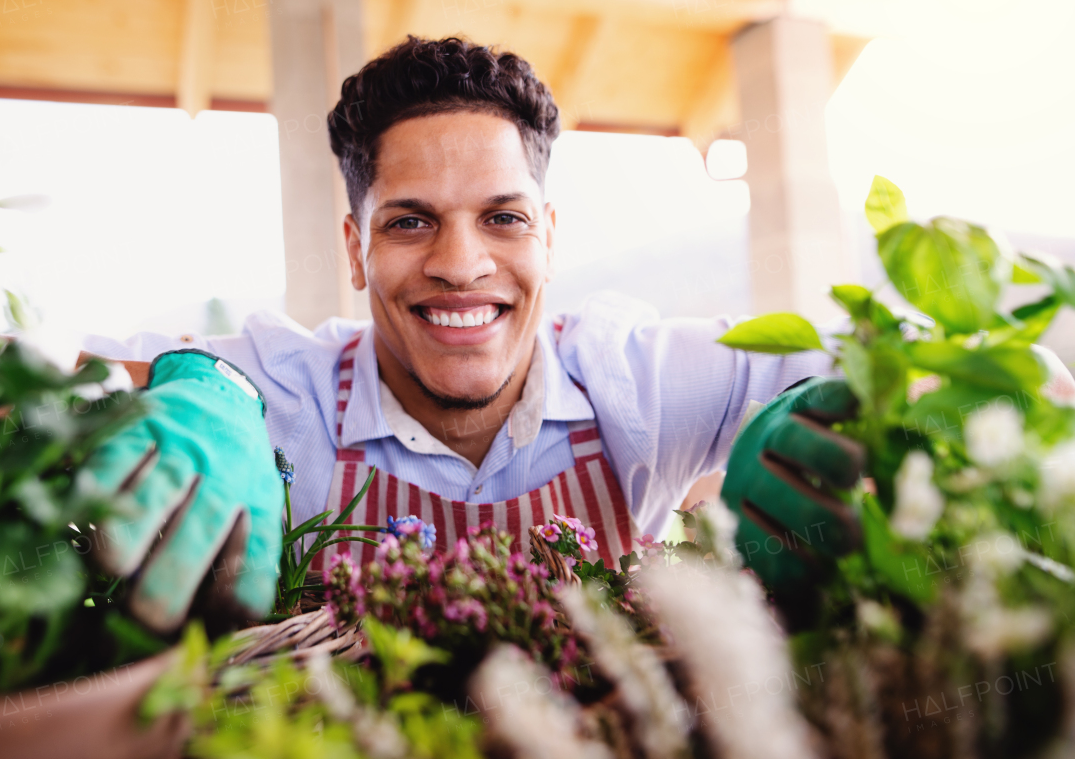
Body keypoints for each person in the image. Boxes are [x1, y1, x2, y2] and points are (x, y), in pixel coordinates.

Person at [78, 36, 1075, 634]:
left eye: (502, 218)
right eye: (410, 219)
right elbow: (101, 383)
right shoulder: (290, 394)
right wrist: (193, 394)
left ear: (548, 237)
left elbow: (939, 371)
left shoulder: (629, 382)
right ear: (354, 246)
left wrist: (836, 421)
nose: (461, 264)